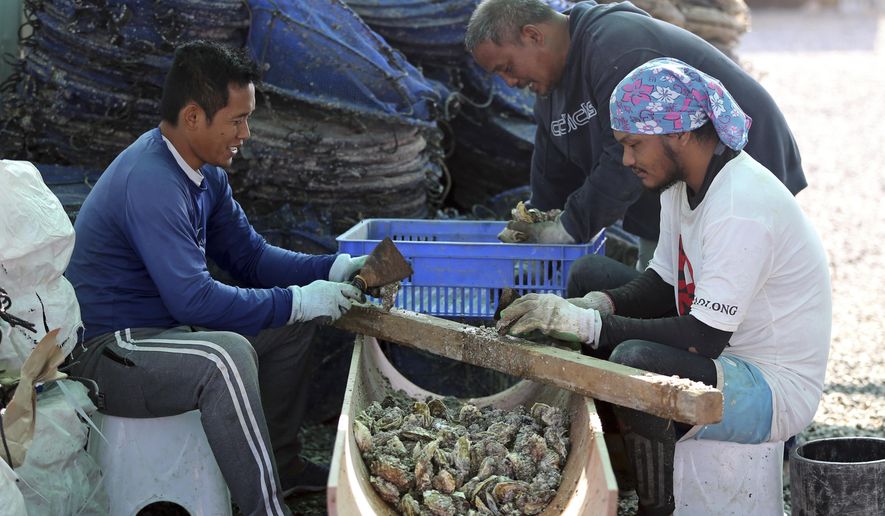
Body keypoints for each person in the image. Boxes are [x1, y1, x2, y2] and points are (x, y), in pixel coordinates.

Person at [496, 58, 831, 515]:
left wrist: (589, 323)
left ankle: (657, 505)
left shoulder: (739, 207)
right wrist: (595, 303)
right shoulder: (681, 184)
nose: (627, 160)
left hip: (771, 386)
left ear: (678, 133)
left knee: (634, 363)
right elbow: (661, 284)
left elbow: (703, 338)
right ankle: (627, 453)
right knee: (590, 276)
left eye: (634, 145)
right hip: (724, 351)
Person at [65, 41, 367, 515]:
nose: (246, 132)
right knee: (225, 357)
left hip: (163, 334)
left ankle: (281, 469)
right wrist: (299, 298)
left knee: (292, 323)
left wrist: (327, 269)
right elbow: (194, 301)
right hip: (111, 350)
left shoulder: (205, 173)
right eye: (236, 119)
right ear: (192, 117)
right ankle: (266, 510)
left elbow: (250, 257)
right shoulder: (151, 181)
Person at [465, 0, 805, 271]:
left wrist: (570, 227)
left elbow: (626, 157)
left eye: (507, 67)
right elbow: (552, 168)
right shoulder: (550, 86)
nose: (509, 83)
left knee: (724, 312)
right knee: (659, 292)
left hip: (741, 165)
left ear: (533, 35)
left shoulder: (614, 44)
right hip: (670, 193)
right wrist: (536, 224)